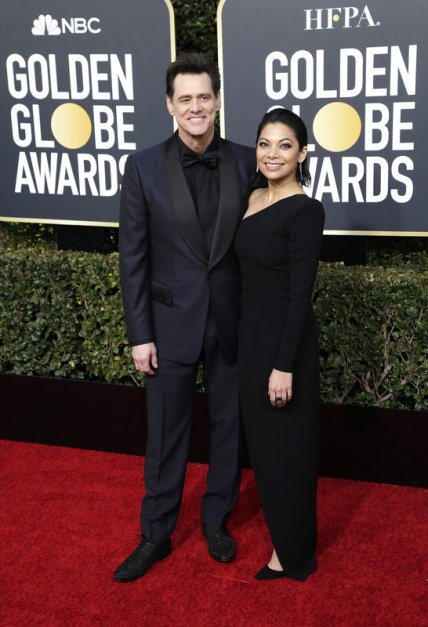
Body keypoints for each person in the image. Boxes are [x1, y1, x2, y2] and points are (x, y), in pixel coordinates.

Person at [113, 52, 254, 582]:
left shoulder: (247, 161)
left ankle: (216, 519)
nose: (196, 106)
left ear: (218, 101)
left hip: (232, 323)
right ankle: (156, 533)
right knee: (165, 434)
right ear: (169, 105)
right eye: (185, 98)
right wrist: (140, 333)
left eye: (204, 97)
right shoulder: (143, 166)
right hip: (168, 324)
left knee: (227, 429)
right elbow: (134, 257)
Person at [234, 108, 325, 581]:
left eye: (285, 145)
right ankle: (285, 539)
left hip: (283, 348)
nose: (273, 153)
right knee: (265, 450)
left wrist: (284, 365)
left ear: (302, 153)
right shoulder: (252, 198)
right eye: (265, 143)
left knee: (287, 450)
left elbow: (299, 292)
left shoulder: (305, 210)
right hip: (250, 340)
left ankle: (291, 552)